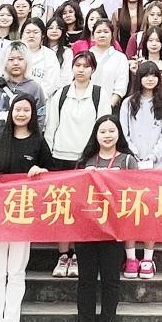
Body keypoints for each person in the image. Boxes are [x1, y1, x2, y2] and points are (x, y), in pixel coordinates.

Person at [0, 95, 53, 322]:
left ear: (33, 114)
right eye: (17, 109)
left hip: (24, 215)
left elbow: (52, 175)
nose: (21, 114)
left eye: (26, 110)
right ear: (10, 112)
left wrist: (40, 171)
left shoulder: (38, 142)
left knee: (16, 273)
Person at [70, 115, 139, 322]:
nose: (107, 135)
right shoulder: (85, 161)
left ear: (119, 133)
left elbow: (135, 192)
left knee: (111, 280)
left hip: (114, 230)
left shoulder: (128, 160)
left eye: (111, 131)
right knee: (86, 280)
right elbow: (74, 194)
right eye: (102, 131)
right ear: (95, 135)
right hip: (87, 229)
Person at [44, 51, 113, 277]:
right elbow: (51, 127)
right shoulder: (61, 93)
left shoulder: (100, 94)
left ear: (93, 69)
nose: (81, 69)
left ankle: (78, 256)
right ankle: (63, 255)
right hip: (60, 157)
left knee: (83, 209)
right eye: (77, 65)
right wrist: (49, 155)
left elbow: (104, 127)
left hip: (87, 160)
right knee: (63, 207)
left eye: (86, 66)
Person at [118, 61, 162, 279]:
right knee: (131, 210)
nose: (150, 79)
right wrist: (134, 154)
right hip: (131, 163)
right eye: (146, 75)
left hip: (156, 164)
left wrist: (153, 156)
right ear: (139, 78)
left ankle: (148, 258)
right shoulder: (128, 103)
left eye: (154, 76)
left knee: (151, 211)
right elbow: (124, 132)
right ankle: (131, 257)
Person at [0, 43, 47, 151]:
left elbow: (39, 120)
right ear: (4, 62)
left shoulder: (35, 88)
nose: (16, 63)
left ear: (27, 61)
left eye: (20, 59)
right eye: (11, 59)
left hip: (23, 149)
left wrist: (30, 144)